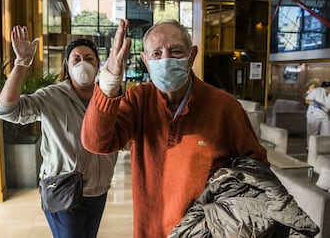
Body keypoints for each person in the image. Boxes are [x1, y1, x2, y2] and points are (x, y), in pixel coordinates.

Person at [80, 19, 268, 237]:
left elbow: (257, 170)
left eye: (176, 51)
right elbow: (96, 143)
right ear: (145, 60)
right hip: (150, 231)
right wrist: (110, 82)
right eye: (156, 54)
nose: (166, 59)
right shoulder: (138, 100)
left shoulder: (225, 107)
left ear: (192, 55)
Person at [0, 25, 118, 238]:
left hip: (98, 189)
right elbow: (7, 111)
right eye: (76, 59)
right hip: (62, 188)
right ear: (67, 66)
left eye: (89, 58)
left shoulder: (107, 98)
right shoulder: (51, 96)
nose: (83, 63)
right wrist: (21, 64)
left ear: (98, 65)